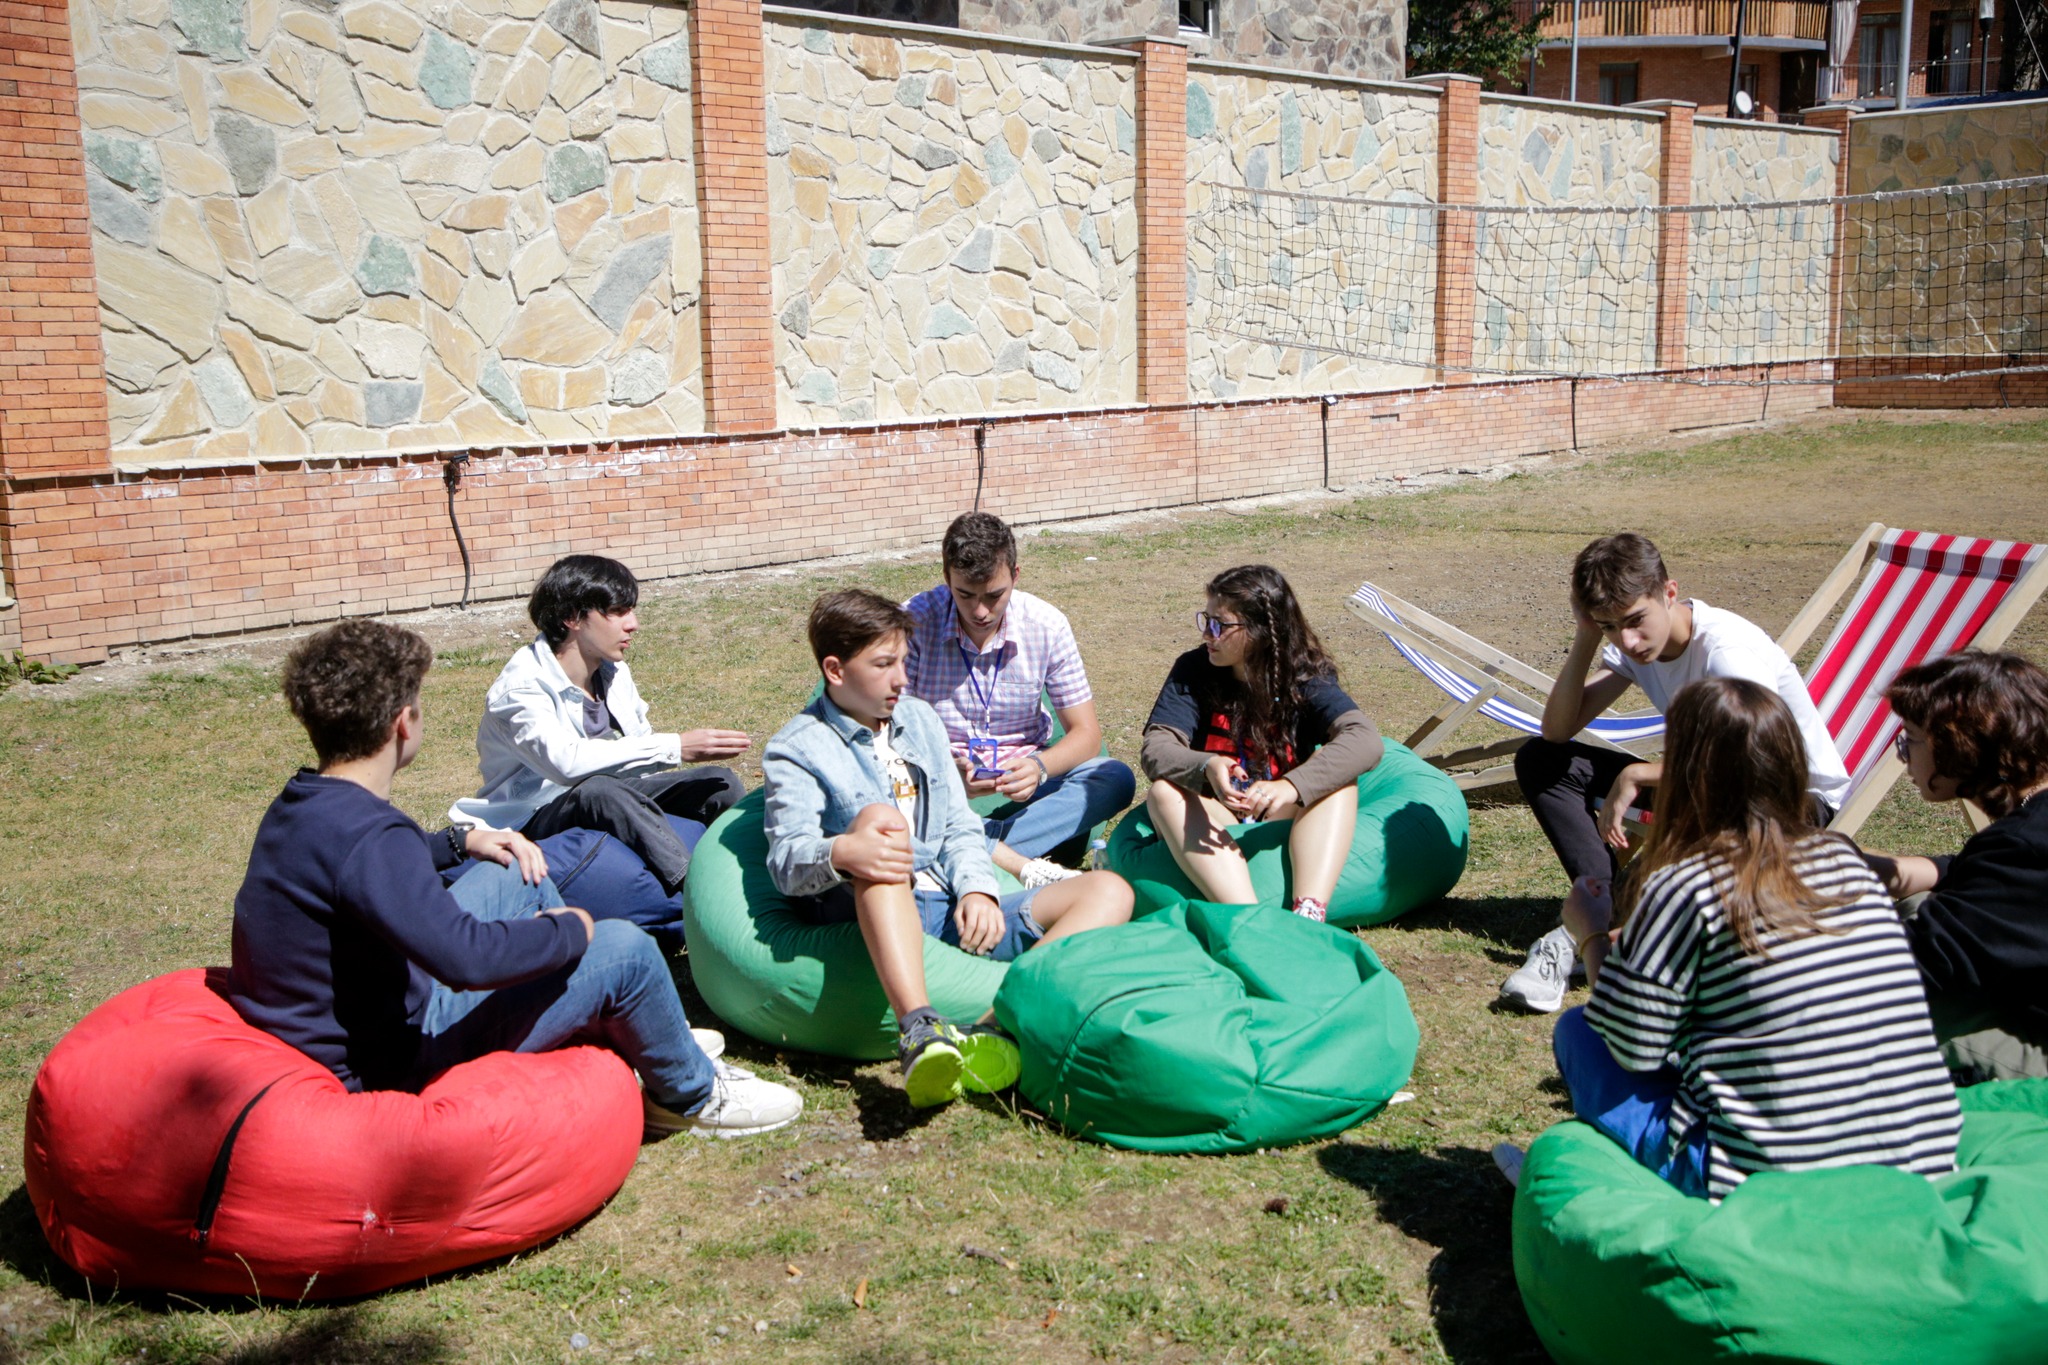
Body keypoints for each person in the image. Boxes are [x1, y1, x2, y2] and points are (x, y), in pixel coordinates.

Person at [228, 619, 802, 1137]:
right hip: (393, 1054)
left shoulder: (306, 802)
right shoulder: (375, 836)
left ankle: (643, 1029)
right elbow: (465, 960)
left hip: (367, 1016)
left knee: (517, 870)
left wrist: (461, 841)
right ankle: (689, 1094)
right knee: (623, 948)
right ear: (404, 723)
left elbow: (367, 863)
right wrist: (571, 931)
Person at [1493, 677, 1961, 1199]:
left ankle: (1608, 1180)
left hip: (1773, 1183)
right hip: (1920, 1158)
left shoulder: (1688, 884)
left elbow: (1628, 1045)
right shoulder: (1847, 861)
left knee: (1580, 1033)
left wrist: (1591, 935)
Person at [763, 589, 1134, 1108]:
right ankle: (919, 1029)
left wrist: (978, 888)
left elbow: (958, 824)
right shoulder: (798, 748)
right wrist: (843, 852)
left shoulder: (919, 719)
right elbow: (785, 860)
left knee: (1109, 891)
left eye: (903, 662)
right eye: (884, 665)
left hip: (943, 898)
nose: (901, 679)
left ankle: (992, 1024)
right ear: (835, 669)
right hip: (866, 900)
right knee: (879, 824)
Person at [1501, 532, 1851, 1012]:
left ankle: (1589, 932)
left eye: (1634, 621)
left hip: (1787, 800)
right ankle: (1600, 902)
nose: (1627, 640)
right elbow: (1558, 730)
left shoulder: (1726, 652)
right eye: (1609, 626)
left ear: (1669, 593)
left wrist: (1638, 776)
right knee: (1542, 759)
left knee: (1718, 802)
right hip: (1706, 785)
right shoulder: (1633, 645)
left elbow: (1750, 763)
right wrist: (1587, 635)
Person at [452, 556, 748, 896]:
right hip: (531, 816)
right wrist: (676, 747)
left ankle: (760, 875)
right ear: (572, 618)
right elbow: (566, 765)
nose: (633, 624)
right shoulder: (520, 689)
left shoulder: (611, 669)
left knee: (718, 782)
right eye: (617, 612)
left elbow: (638, 748)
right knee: (600, 790)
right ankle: (699, 894)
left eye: (631, 610)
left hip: (613, 795)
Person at [1138, 564, 1384, 923]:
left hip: (1282, 813)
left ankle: (1308, 912)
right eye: (1206, 620)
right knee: (1162, 793)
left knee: (1340, 783)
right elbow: (1157, 747)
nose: (1207, 634)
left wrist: (1290, 786)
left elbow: (1364, 739)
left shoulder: (1304, 675)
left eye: (1220, 625)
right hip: (1217, 814)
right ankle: (1251, 919)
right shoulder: (1193, 670)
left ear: (1261, 631)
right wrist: (1206, 765)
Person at [902, 512, 1136, 886]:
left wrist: (1039, 768)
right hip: (937, 781)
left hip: (1025, 777)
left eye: (994, 596)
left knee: (1113, 777)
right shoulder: (913, 621)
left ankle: (970, 845)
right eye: (965, 595)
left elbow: (1087, 735)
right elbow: (890, 730)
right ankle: (995, 851)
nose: (980, 612)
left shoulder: (1046, 624)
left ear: (1015, 575)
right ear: (946, 578)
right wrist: (943, 772)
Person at [1860, 650, 2048, 1082]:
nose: (1903, 754)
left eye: (1910, 738)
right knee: (1917, 902)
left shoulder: (2023, 848)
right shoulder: (2031, 831)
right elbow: (1979, 877)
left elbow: (1915, 966)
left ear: (1957, 745)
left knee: (1883, 1025)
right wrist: (1879, 870)